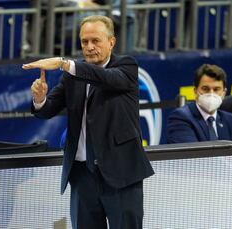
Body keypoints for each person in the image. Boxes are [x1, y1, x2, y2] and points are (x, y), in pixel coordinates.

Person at [22, 15, 154, 229]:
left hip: (120, 173)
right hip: (82, 176)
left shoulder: (127, 66)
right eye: (85, 42)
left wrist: (64, 64)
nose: (90, 47)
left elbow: (106, 78)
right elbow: (48, 110)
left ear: (111, 42)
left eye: (96, 41)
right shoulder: (73, 74)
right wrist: (39, 99)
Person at [167, 64, 232, 143]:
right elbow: (190, 153)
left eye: (216, 89)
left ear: (224, 93)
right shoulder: (181, 117)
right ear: (195, 91)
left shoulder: (229, 119)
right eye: (205, 89)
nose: (211, 94)